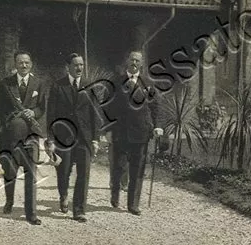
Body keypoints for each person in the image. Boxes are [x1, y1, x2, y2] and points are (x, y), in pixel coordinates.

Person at [107, 51, 164, 216]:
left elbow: (156, 106)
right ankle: (115, 194)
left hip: (141, 132)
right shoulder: (116, 82)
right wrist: (108, 130)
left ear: (141, 63)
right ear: (127, 61)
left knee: (137, 169)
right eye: (131, 59)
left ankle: (133, 204)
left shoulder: (148, 83)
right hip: (121, 132)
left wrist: (158, 126)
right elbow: (107, 108)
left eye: (137, 60)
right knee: (118, 166)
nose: (134, 62)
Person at [46, 53, 99, 223]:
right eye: (76, 65)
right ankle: (63, 194)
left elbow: (95, 113)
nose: (79, 68)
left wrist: (96, 138)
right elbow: (51, 115)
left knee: (84, 173)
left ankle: (79, 210)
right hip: (64, 137)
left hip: (84, 137)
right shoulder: (57, 86)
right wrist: (51, 139)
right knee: (64, 170)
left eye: (81, 65)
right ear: (67, 66)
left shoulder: (89, 85)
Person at [0, 51, 46, 225]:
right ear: (15, 64)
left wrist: (33, 112)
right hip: (10, 136)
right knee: (10, 171)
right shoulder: (5, 84)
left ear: (31, 64)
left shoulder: (38, 83)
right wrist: (7, 125)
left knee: (31, 173)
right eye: (20, 62)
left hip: (31, 136)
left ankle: (31, 213)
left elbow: (42, 108)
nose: (23, 66)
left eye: (26, 62)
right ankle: (9, 201)